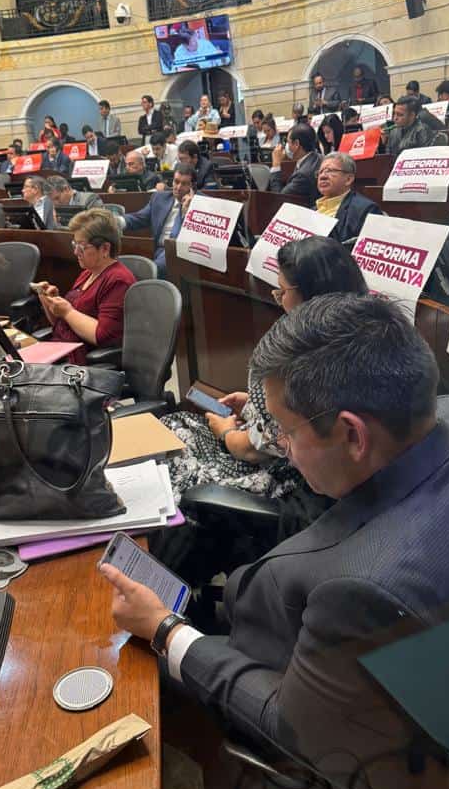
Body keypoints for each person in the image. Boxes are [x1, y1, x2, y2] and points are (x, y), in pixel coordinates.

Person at [100, 295, 449, 789]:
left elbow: (287, 725)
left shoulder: (362, 592)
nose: (284, 450)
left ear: (352, 435)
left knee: (127, 674)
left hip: (357, 755)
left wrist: (167, 631)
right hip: (440, 670)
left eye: (287, 433)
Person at [153, 239, 367, 576]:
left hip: (292, 481)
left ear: (310, 292)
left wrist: (226, 433)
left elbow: (254, 449)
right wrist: (253, 403)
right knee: (174, 427)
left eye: (281, 291)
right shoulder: (355, 327)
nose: (277, 298)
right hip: (295, 462)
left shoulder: (305, 354)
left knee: (173, 475)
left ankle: (165, 594)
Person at [36, 208, 135, 365]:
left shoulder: (118, 280)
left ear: (105, 249)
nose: (75, 252)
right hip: (61, 349)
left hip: (82, 366)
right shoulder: (88, 273)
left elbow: (102, 336)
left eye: (81, 247)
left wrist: (67, 311)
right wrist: (48, 300)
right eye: (74, 244)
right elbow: (61, 324)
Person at [123, 162, 196, 276]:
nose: (178, 187)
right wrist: (117, 221)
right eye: (176, 182)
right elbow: (139, 218)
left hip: (180, 254)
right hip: (158, 250)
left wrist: (187, 213)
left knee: (151, 270)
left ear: (192, 186)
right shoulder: (160, 198)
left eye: (185, 184)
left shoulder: (201, 204)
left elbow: (185, 241)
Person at [315, 152, 381, 241]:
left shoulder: (365, 210)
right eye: (320, 172)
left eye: (330, 171)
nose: (322, 176)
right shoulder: (312, 210)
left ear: (348, 179)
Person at [269, 124, 321, 203]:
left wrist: (276, 165)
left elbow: (280, 199)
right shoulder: (320, 158)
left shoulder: (302, 175)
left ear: (296, 144)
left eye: (288, 141)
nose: (286, 146)